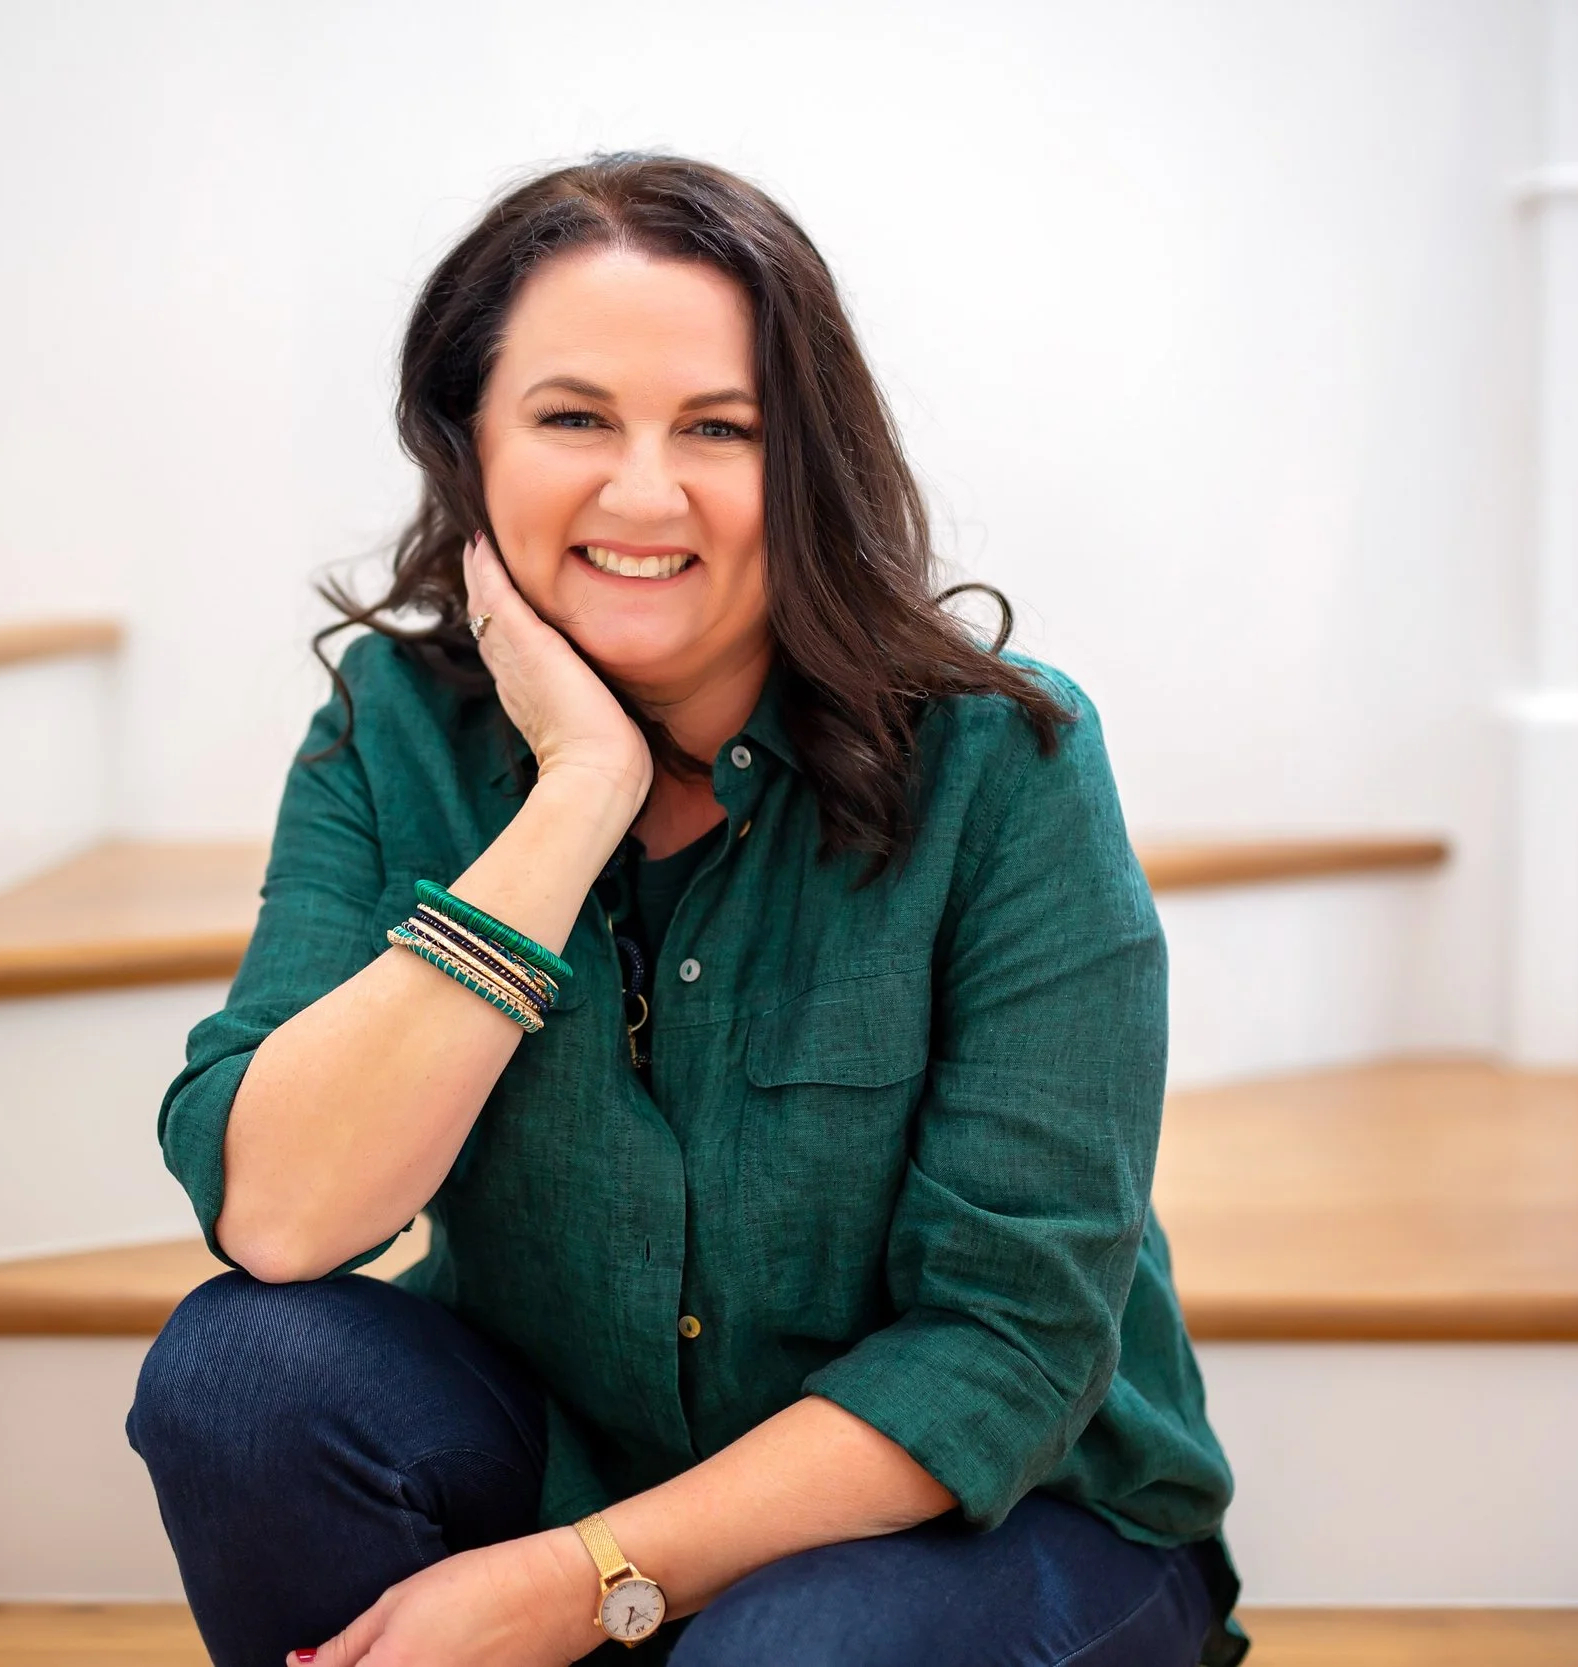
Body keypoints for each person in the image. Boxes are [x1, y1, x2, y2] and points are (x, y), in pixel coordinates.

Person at [127, 153, 1243, 1667]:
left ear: (807, 464)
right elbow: (281, 1214)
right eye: (574, 417)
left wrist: (572, 1584)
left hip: (995, 1520)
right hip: (575, 1452)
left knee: (786, 1651)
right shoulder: (393, 730)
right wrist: (579, 792)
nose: (644, 492)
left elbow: (1007, 1342)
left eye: (720, 428)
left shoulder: (1005, 760)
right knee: (240, 1374)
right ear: (469, 444)